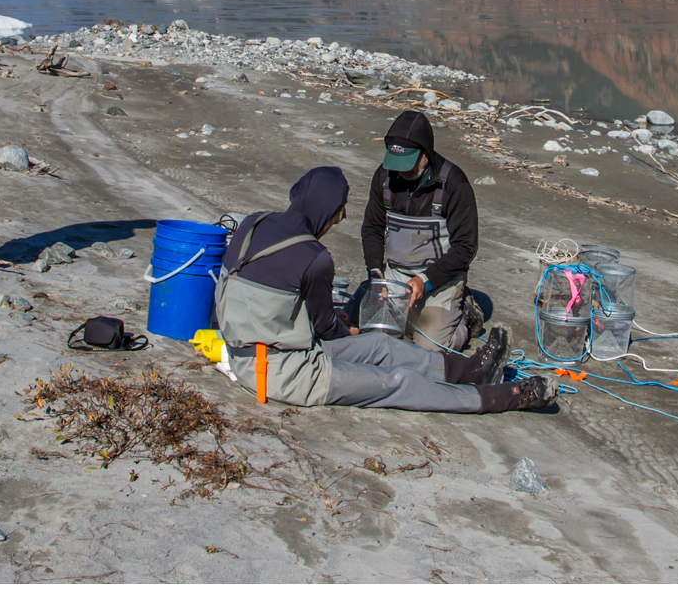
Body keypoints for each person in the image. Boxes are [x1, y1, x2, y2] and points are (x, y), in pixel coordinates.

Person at [216, 166, 553, 413]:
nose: (336, 223)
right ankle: (501, 398)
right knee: (397, 382)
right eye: (339, 215)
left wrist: (348, 331)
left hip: (253, 351)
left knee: (379, 345)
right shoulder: (314, 257)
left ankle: (470, 371)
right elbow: (325, 329)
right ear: (327, 211)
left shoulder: (252, 223)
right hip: (282, 372)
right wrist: (347, 329)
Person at [360, 110, 478, 353]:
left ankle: (465, 315)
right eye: (396, 164)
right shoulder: (383, 177)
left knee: (428, 348)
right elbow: (372, 228)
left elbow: (466, 247)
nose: (400, 172)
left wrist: (425, 280)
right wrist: (375, 273)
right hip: (394, 276)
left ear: (425, 153)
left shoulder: (454, 183)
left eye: (408, 165)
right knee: (371, 332)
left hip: (438, 279)